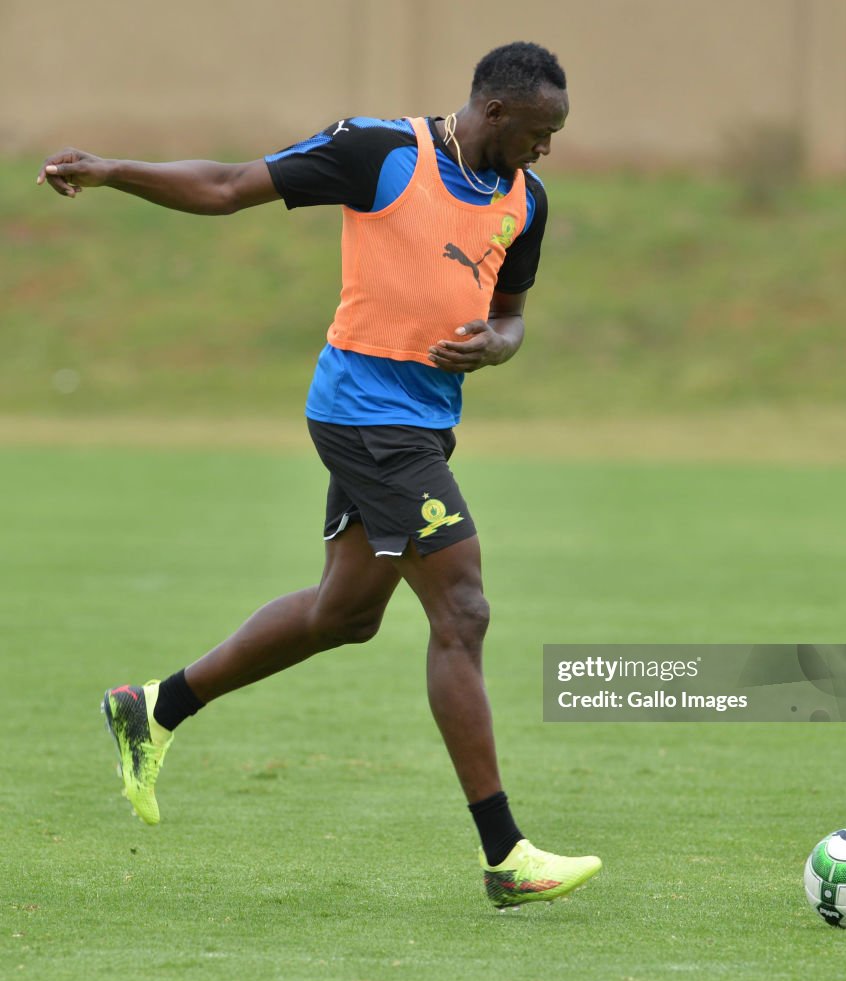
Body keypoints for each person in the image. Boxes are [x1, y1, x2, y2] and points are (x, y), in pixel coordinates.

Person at [38, 41, 601, 909]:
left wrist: (493, 346)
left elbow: (512, 319)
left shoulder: (526, 201)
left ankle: (154, 707)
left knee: (345, 615)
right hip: (366, 419)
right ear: (494, 111)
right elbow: (229, 187)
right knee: (463, 608)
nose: (547, 148)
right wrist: (115, 171)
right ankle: (506, 855)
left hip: (424, 428)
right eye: (539, 130)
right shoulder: (379, 152)